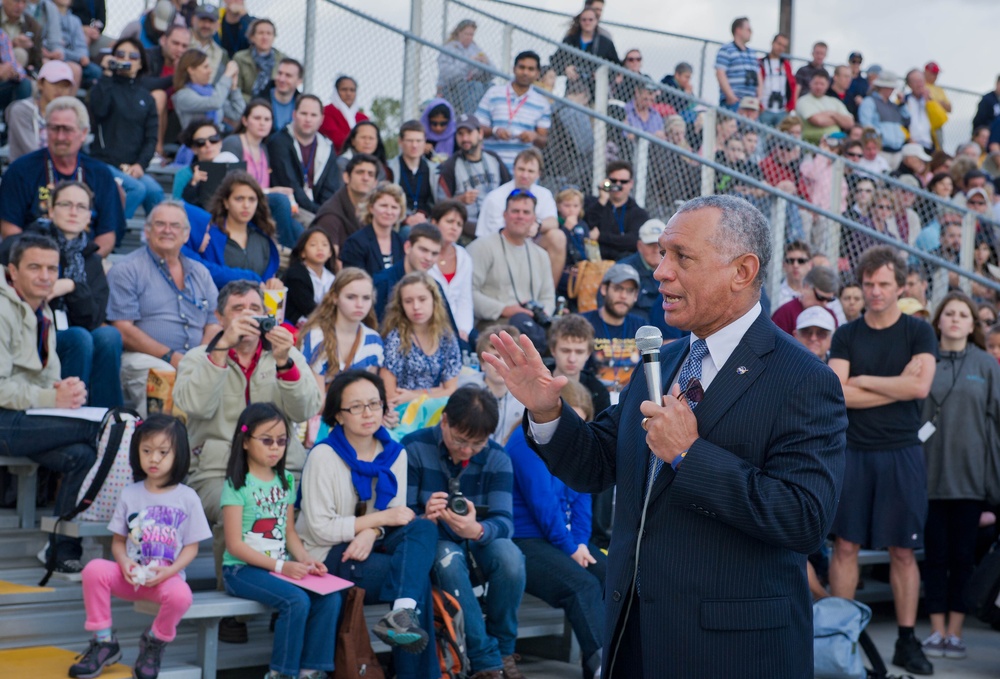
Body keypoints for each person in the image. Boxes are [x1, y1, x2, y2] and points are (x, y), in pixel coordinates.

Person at [483, 194, 847, 678]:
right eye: (661, 254)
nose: (660, 272)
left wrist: (689, 455)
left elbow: (803, 519)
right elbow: (596, 464)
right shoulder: (664, 361)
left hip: (730, 654)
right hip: (634, 637)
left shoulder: (804, 379)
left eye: (682, 257)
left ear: (742, 271)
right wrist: (547, 411)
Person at [827, 246, 937, 676]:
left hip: (901, 452)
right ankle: (841, 639)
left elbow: (920, 389)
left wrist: (864, 380)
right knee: (845, 546)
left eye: (884, 284)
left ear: (901, 287)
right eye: (869, 284)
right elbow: (837, 393)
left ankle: (907, 641)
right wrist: (895, 385)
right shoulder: (846, 335)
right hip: (853, 451)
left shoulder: (918, 332)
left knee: (903, 551)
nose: (875, 291)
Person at [297, 370, 439, 677]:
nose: (368, 413)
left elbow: (398, 516)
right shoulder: (323, 456)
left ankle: (401, 612)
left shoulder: (395, 454)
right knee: (416, 580)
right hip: (328, 555)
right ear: (338, 415)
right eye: (357, 407)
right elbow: (321, 528)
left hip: (370, 544)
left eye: (374, 404)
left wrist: (371, 532)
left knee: (424, 527)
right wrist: (377, 521)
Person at [70, 415, 210, 679]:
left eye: (162, 452)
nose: (153, 459)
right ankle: (104, 641)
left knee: (182, 596)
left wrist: (170, 572)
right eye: (146, 451)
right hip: (130, 577)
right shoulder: (130, 493)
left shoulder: (188, 498)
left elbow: (192, 548)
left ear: (179, 454)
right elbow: (118, 542)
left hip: (165, 579)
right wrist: (124, 562)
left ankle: (155, 641)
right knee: (93, 570)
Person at [403, 386, 528, 679]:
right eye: (460, 440)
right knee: (447, 557)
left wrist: (478, 529)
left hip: (478, 539)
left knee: (511, 557)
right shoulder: (414, 448)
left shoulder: (496, 457)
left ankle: (504, 650)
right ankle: (486, 661)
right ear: (444, 420)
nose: (467, 451)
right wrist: (424, 517)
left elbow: (505, 522)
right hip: (433, 540)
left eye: (477, 444)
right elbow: (401, 514)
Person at [0, 233, 100, 574]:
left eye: (52, 269)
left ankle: (60, 547)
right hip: (5, 417)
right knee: (106, 431)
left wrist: (65, 389)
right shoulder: (3, 308)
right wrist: (51, 397)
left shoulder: (40, 308)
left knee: (82, 454)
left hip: (23, 416)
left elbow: (45, 377)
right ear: (13, 271)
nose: (45, 276)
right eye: (35, 267)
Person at [221, 402, 338, 679]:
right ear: (246, 441)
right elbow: (234, 545)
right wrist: (282, 567)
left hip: (277, 567)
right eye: (267, 440)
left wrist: (307, 561)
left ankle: (311, 671)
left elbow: (289, 533)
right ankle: (281, 673)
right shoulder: (236, 484)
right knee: (296, 601)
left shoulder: (285, 479)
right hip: (241, 570)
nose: (275, 447)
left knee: (330, 597)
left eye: (282, 441)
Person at [921, 292, 1000, 661]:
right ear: (938, 321)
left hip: (971, 482)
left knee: (963, 558)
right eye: (949, 313)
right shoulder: (923, 360)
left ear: (972, 325)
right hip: (927, 480)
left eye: (962, 315)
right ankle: (936, 631)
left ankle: (955, 632)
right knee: (935, 558)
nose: (955, 319)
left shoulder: (986, 365)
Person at [509, 379, 606, 679]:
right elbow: (543, 505)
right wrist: (570, 548)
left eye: (581, 423)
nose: (574, 430)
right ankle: (602, 666)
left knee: (613, 576)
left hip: (562, 538)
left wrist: (580, 543)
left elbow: (582, 494)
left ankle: (610, 661)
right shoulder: (525, 442)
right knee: (583, 586)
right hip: (525, 540)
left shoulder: (574, 444)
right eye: (570, 421)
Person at [0, 182, 123, 408]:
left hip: (76, 333)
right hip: (31, 333)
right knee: (79, 338)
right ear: (50, 210)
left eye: (81, 207)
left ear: (89, 216)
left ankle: (110, 416)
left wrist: (72, 287)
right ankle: (70, 410)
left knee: (109, 336)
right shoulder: (25, 245)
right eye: (66, 204)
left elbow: (94, 318)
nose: (73, 212)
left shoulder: (92, 260)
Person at [106, 201, 221, 417]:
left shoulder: (200, 272)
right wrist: (171, 357)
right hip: (145, 359)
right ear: (147, 231)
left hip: (196, 359)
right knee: (166, 376)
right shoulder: (127, 269)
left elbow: (214, 322)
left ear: (186, 235)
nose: (167, 230)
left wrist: (200, 358)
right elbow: (123, 329)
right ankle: (158, 438)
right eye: (160, 224)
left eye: (175, 225)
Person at [0, 96, 124, 256]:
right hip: (32, 260)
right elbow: (10, 229)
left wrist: (86, 264)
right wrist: (42, 263)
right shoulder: (21, 170)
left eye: (67, 130)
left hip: (86, 260)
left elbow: (107, 235)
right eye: (54, 128)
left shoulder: (100, 174)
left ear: (83, 133)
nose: (60, 137)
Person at [88, 38, 164, 220]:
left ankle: (155, 236)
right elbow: (99, 110)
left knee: (155, 192)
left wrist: (140, 165)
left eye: (133, 56)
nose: (126, 59)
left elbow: (151, 138)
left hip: (131, 168)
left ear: (140, 63)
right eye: (120, 54)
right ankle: (111, 231)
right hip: (104, 163)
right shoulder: (104, 86)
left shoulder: (146, 98)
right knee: (136, 189)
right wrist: (107, 74)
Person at [467, 189, 555, 344]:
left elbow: (548, 297)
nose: (520, 216)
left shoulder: (541, 255)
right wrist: (504, 309)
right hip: (494, 324)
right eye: (515, 211)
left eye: (526, 212)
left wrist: (542, 312)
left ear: (534, 219)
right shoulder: (482, 247)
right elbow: (468, 293)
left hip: (532, 324)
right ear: (505, 215)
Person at [475, 148, 564, 285]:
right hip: (500, 248)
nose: (525, 175)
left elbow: (553, 222)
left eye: (530, 171)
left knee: (558, 237)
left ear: (538, 174)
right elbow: (490, 236)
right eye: (521, 169)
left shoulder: (544, 194)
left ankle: (549, 293)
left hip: (532, 246)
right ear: (513, 170)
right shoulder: (495, 198)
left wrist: (537, 225)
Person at [220, 99, 299, 248]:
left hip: (260, 206)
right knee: (280, 201)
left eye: (267, 119)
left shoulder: (264, 148)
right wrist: (272, 191)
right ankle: (284, 252)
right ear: (245, 120)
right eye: (257, 118)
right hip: (242, 203)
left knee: (300, 230)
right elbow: (231, 185)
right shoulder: (233, 143)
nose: (262, 123)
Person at [187, 171, 284, 288]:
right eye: (239, 199)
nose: (246, 205)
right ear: (226, 202)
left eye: (252, 199)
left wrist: (273, 284)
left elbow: (268, 279)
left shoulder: (264, 239)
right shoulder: (208, 237)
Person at [381, 271, 461, 404]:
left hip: (438, 407)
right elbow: (391, 395)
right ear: (401, 305)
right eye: (408, 301)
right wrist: (437, 391)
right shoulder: (395, 338)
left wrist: (414, 396)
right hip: (403, 410)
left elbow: (451, 390)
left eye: (422, 299)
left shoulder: (446, 337)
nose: (416, 307)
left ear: (434, 300)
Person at [297, 267, 384, 387]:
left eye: (366, 298)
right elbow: (316, 396)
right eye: (351, 297)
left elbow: (369, 389)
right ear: (335, 297)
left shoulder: (374, 340)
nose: (360, 304)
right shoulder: (317, 336)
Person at [435, 113, 511, 239]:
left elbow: (510, 190)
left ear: (480, 133)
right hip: (467, 226)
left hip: (497, 222)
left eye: (469, 133)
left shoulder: (494, 159)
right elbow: (439, 206)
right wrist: (459, 200)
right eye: (460, 134)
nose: (465, 138)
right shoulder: (450, 166)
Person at [268, 94, 343, 219]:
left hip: (318, 212)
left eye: (313, 115)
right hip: (289, 209)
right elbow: (290, 185)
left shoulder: (327, 148)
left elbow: (330, 189)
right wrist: (319, 214)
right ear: (294, 114)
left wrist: (325, 213)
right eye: (303, 113)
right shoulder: (279, 142)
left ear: (321, 119)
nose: (308, 119)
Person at [476, 50, 550, 171]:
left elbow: (543, 140)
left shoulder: (542, 103)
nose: (525, 72)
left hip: (523, 172)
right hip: (490, 167)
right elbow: (477, 128)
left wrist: (534, 136)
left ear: (537, 74)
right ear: (514, 69)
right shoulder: (493, 93)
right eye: (522, 67)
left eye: (531, 69)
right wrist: (495, 131)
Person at [583, 263, 646, 391]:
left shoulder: (642, 327)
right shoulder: (583, 323)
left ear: (635, 296)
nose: (623, 296)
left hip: (630, 398)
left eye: (630, 291)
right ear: (604, 289)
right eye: (618, 288)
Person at [310, 153, 379, 261]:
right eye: (360, 172)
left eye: (370, 174)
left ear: (375, 183)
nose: (365, 178)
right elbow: (330, 262)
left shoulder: (377, 212)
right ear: (346, 177)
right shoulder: (330, 215)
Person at [372, 222, 444, 322]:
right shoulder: (383, 282)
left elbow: (448, 327)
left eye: (434, 254)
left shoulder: (435, 287)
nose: (429, 258)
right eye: (423, 250)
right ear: (407, 247)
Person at [5, 59, 73, 161]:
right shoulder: (21, 110)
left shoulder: (71, 114)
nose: (60, 89)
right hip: (28, 169)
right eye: (54, 83)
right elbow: (32, 152)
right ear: (40, 84)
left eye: (65, 85)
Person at [585, 160, 650, 261]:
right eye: (614, 181)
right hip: (593, 260)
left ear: (631, 183)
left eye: (623, 182)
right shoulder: (593, 203)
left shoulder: (638, 213)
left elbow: (633, 241)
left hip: (624, 263)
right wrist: (602, 201)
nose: (618, 185)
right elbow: (586, 227)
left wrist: (601, 237)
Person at [428, 200, 474, 340]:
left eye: (459, 224)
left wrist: (463, 329)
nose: (454, 227)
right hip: (429, 324)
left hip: (457, 327)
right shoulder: (424, 254)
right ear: (434, 223)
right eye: (449, 221)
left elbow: (465, 299)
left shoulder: (464, 257)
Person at [551, 7, 619, 98]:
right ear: (579, 21)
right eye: (584, 20)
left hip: (596, 91)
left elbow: (616, 66)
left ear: (596, 21)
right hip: (573, 89)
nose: (587, 22)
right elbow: (555, 59)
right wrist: (566, 68)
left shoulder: (606, 43)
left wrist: (601, 74)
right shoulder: (570, 40)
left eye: (590, 20)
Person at [339, 182, 405, 275]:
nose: (389, 212)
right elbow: (352, 279)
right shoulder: (355, 243)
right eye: (383, 206)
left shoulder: (401, 243)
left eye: (394, 207)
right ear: (371, 208)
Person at [473, 325, 525, 443]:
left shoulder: (527, 399)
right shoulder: (466, 389)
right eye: (495, 357)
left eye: (508, 357)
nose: (501, 363)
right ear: (482, 363)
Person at [171, 48, 243, 131]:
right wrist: (226, 76)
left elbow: (237, 113)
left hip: (218, 135)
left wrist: (234, 87)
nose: (210, 71)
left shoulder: (210, 91)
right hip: (197, 138)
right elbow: (215, 103)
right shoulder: (183, 96)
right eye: (205, 67)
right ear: (191, 70)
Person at [387, 120, 439, 227]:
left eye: (419, 141)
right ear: (400, 142)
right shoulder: (389, 168)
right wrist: (406, 219)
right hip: (398, 222)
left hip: (427, 221)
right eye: (410, 141)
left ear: (425, 142)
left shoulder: (434, 170)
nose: (414, 145)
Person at [282, 227, 334, 327]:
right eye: (313, 245)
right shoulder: (295, 275)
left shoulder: (332, 277)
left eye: (324, 244)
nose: (320, 248)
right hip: (297, 325)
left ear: (330, 253)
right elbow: (308, 308)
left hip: (325, 321)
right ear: (302, 253)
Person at [437, 20, 492, 116]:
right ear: (459, 33)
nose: (469, 37)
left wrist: (486, 63)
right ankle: (471, 119)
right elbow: (447, 74)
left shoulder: (475, 49)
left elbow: (493, 73)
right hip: (451, 89)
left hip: (472, 85)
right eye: (467, 34)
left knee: (491, 87)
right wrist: (469, 62)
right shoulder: (449, 48)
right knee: (476, 87)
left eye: (472, 34)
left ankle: (485, 118)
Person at [771, 265, 840, 336]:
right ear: (806, 287)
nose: (825, 304)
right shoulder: (785, 314)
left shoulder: (830, 315)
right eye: (820, 297)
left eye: (829, 300)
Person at [858, 71, 909, 163]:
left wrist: (902, 104)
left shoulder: (894, 105)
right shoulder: (869, 101)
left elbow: (907, 120)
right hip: (881, 151)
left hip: (897, 151)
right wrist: (877, 140)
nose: (892, 90)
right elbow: (866, 124)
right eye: (890, 87)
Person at [231, 18, 284, 102]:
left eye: (269, 33)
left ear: (274, 37)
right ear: (252, 37)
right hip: (245, 104)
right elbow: (235, 89)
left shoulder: (282, 60)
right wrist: (256, 103)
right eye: (260, 33)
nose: (265, 37)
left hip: (274, 104)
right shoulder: (240, 58)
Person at [796, 71, 854, 144]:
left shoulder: (835, 101)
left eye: (822, 84)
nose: (819, 87)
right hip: (812, 144)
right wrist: (839, 121)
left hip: (836, 144)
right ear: (810, 83)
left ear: (827, 85)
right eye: (816, 83)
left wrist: (832, 114)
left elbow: (850, 123)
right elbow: (817, 121)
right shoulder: (803, 101)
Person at [714, 17, 757, 110]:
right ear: (738, 30)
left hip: (751, 104)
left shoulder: (752, 53)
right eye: (748, 29)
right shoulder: (726, 50)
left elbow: (759, 76)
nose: (751, 32)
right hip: (734, 103)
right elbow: (720, 73)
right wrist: (731, 97)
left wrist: (758, 99)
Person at [320, 75, 368, 154]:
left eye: (352, 90)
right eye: (344, 89)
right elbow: (336, 139)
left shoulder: (363, 118)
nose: (348, 93)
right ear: (336, 91)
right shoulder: (326, 112)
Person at [757, 33, 796, 127]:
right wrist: (759, 106)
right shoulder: (761, 63)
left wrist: (790, 107)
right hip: (764, 109)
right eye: (779, 44)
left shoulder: (786, 65)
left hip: (782, 110)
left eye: (784, 46)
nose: (780, 48)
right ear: (772, 43)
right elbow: (756, 84)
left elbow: (792, 86)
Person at [262, 57, 302, 132]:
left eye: (288, 75)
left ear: (299, 81)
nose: (282, 79)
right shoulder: (260, 100)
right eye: (279, 73)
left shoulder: (302, 106)